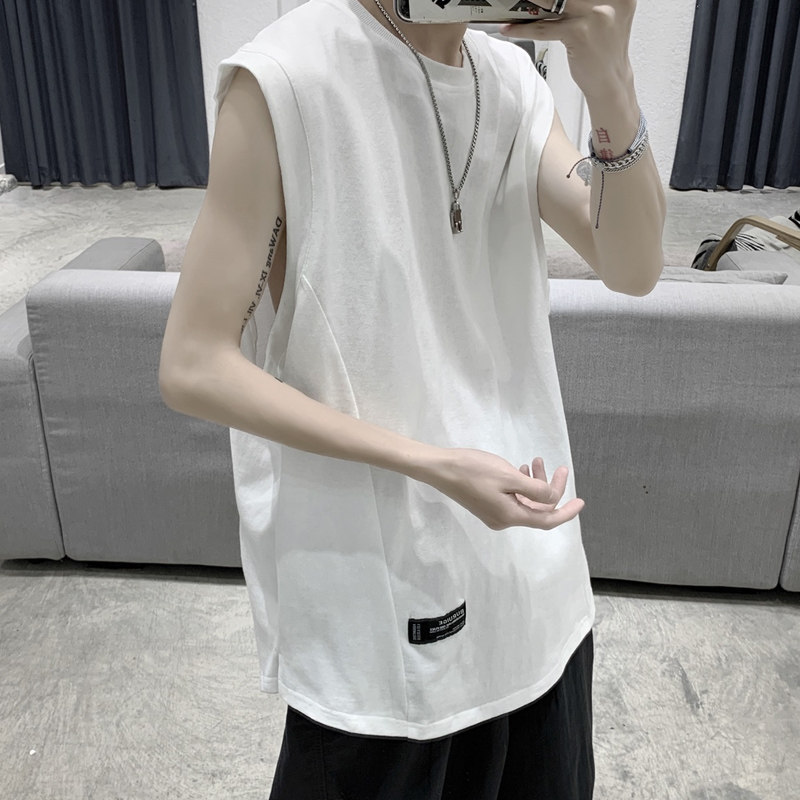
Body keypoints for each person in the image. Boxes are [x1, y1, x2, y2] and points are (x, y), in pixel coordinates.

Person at [158, 0, 665, 796]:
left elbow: (633, 266)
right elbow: (193, 364)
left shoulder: (510, 80)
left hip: (535, 579)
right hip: (380, 608)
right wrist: (430, 462)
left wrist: (610, 79)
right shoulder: (286, 76)